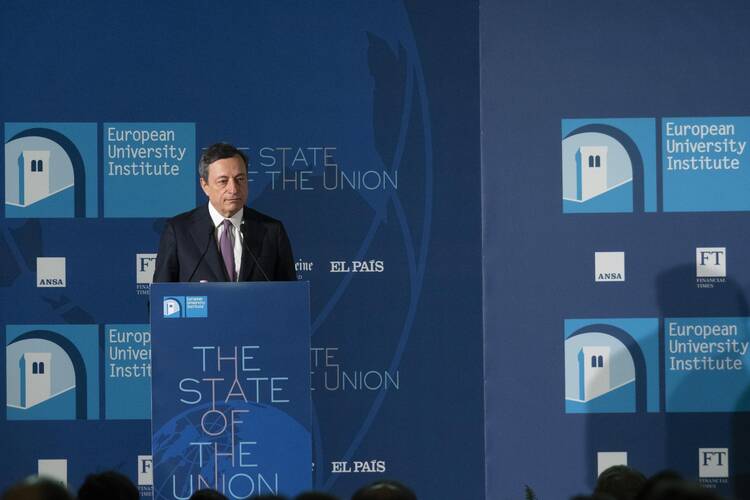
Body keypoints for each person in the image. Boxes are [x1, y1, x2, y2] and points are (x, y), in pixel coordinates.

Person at [153, 142, 296, 282]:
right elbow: (160, 299)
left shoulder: (272, 231)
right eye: (223, 181)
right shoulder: (179, 231)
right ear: (205, 185)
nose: (233, 189)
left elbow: (290, 296)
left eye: (240, 179)